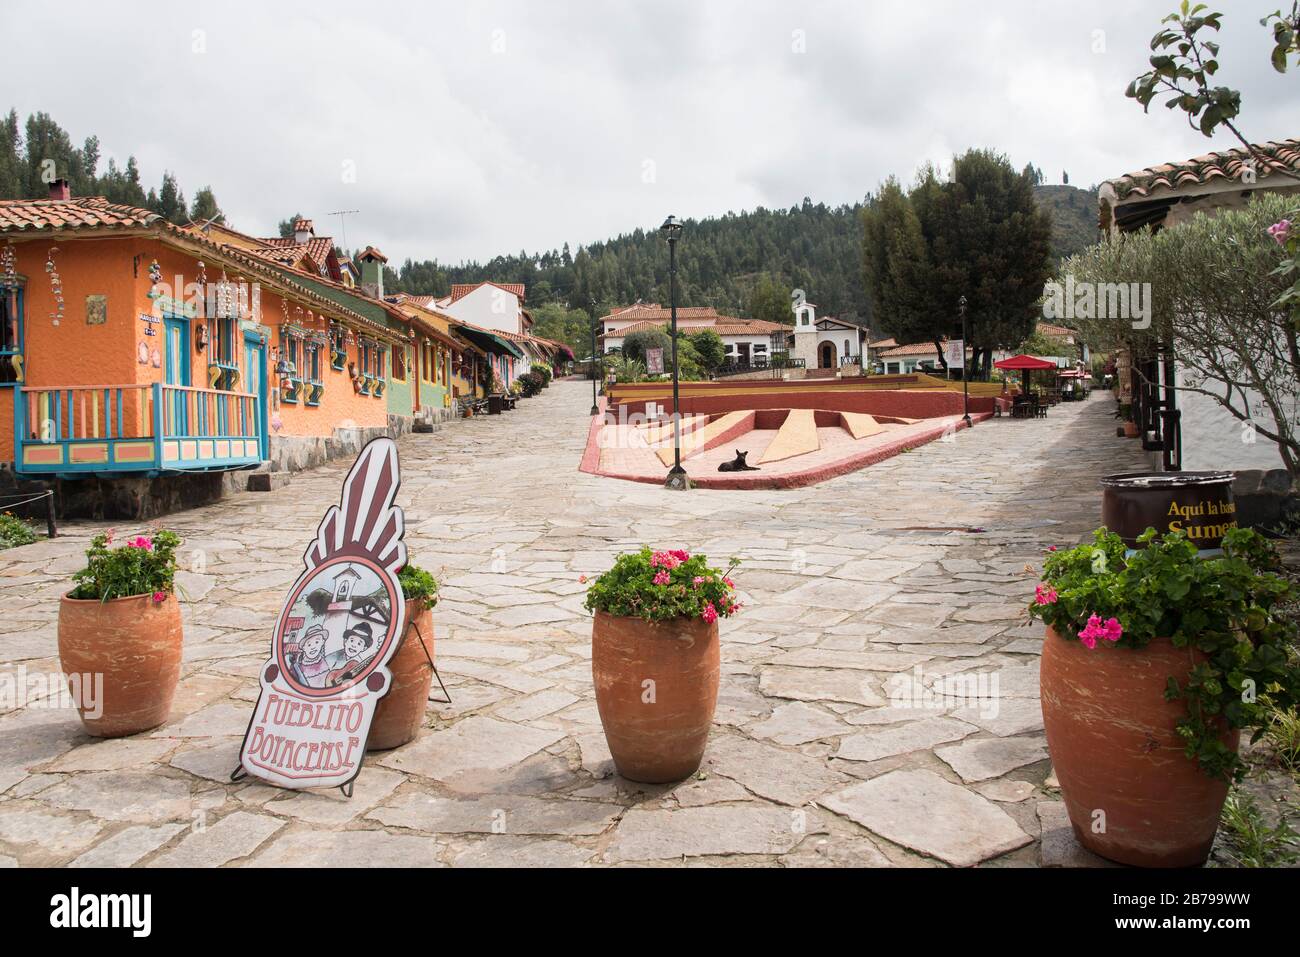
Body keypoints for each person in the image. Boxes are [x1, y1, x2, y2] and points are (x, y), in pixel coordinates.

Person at [327, 622, 375, 687]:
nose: (354, 645)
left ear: (364, 648)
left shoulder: (360, 664)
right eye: (352, 640)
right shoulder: (334, 656)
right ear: (345, 641)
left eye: (359, 644)